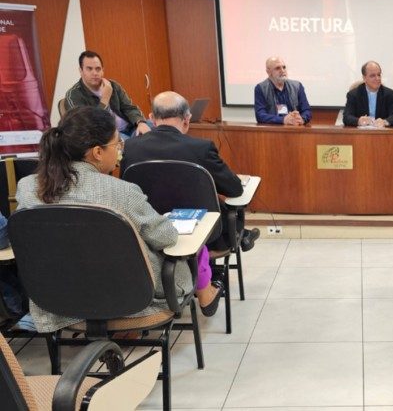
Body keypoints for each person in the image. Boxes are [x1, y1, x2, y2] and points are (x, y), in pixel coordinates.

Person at [15, 106, 224, 332]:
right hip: (128, 297)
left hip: (57, 301)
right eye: (117, 145)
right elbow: (166, 237)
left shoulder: (27, 188)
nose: (120, 151)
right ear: (97, 152)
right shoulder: (121, 192)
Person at [120, 91, 260, 253]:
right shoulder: (201, 148)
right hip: (203, 235)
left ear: (152, 118)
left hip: (149, 232)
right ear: (187, 119)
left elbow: (127, 191)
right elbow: (234, 189)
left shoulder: (131, 147)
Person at [64, 51, 150, 139]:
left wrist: (140, 122)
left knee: (154, 129)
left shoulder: (113, 85)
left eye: (98, 69)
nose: (95, 73)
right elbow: (88, 128)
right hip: (108, 137)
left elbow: (129, 108)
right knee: (138, 144)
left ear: (102, 71)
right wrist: (104, 99)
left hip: (131, 126)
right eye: (89, 69)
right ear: (81, 71)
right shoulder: (73, 96)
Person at [254, 57, 312, 125]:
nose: (282, 70)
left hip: (295, 129)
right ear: (268, 72)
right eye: (277, 68)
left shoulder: (297, 86)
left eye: (284, 67)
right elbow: (260, 115)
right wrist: (283, 120)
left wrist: (302, 119)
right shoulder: (261, 88)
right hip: (273, 131)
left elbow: (306, 110)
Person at [343, 61, 393, 127]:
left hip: (382, 134)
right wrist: (359, 121)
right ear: (364, 78)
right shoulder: (354, 94)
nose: (377, 78)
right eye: (372, 76)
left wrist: (384, 122)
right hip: (360, 135)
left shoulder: (389, 94)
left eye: (379, 75)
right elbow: (347, 117)